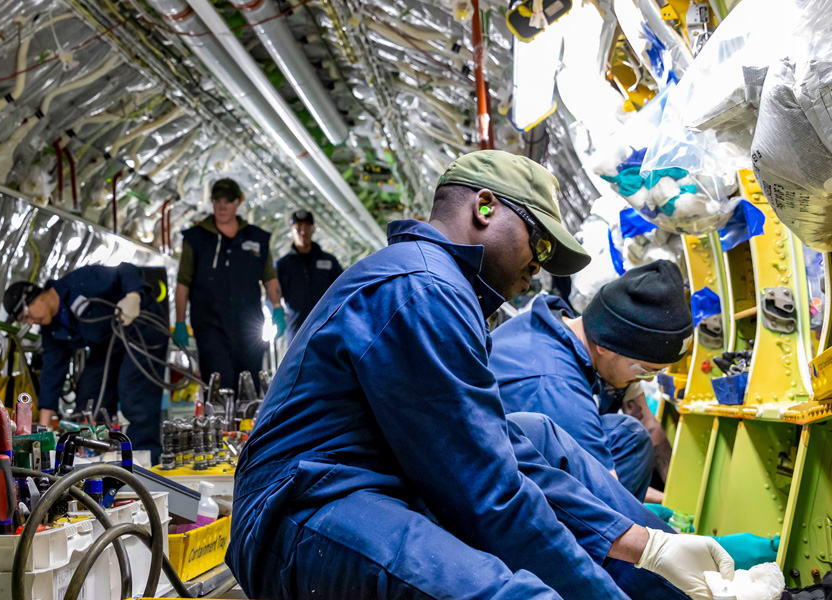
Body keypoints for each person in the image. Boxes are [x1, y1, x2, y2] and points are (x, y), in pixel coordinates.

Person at [227, 150, 734, 600]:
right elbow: (489, 494)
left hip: (364, 489)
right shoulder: (421, 288)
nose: (537, 267)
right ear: (484, 208)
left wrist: (648, 547)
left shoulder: (437, 284)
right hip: (299, 515)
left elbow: (500, 454)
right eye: (537, 243)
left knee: (531, 433)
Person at [490, 261, 690, 502]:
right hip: (496, 495)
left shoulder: (563, 329)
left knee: (626, 436)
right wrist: (665, 537)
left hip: (518, 462)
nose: (643, 378)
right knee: (629, 438)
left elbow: (649, 427)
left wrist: (667, 500)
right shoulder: (556, 387)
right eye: (644, 369)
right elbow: (605, 500)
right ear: (605, 346)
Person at [3, 262, 168, 460]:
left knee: (133, 391)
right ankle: (97, 456)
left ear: (36, 297)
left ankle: (143, 459)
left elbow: (127, 269)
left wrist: (134, 295)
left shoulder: (81, 281)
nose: (30, 322)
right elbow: (51, 374)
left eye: (27, 315)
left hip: (141, 326)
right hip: (108, 342)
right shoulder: (53, 329)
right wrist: (43, 433)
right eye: (24, 321)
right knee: (89, 394)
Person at [174, 178, 283, 392]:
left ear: (238, 202)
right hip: (210, 325)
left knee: (249, 385)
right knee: (219, 384)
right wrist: (179, 322)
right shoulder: (196, 239)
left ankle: (248, 425)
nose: (222, 206)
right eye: (217, 200)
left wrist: (277, 308)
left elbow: (269, 278)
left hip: (248, 325)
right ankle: (218, 424)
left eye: (228, 200)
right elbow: (183, 283)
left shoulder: (257, 239)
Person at [276, 209, 343, 342]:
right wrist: (276, 312)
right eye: (298, 228)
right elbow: (274, 293)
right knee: (297, 362)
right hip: (296, 328)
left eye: (307, 227)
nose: (302, 232)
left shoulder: (329, 261)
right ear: (291, 230)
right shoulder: (283, 265)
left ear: (313, 229)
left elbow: (342, 290)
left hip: (325, 326)